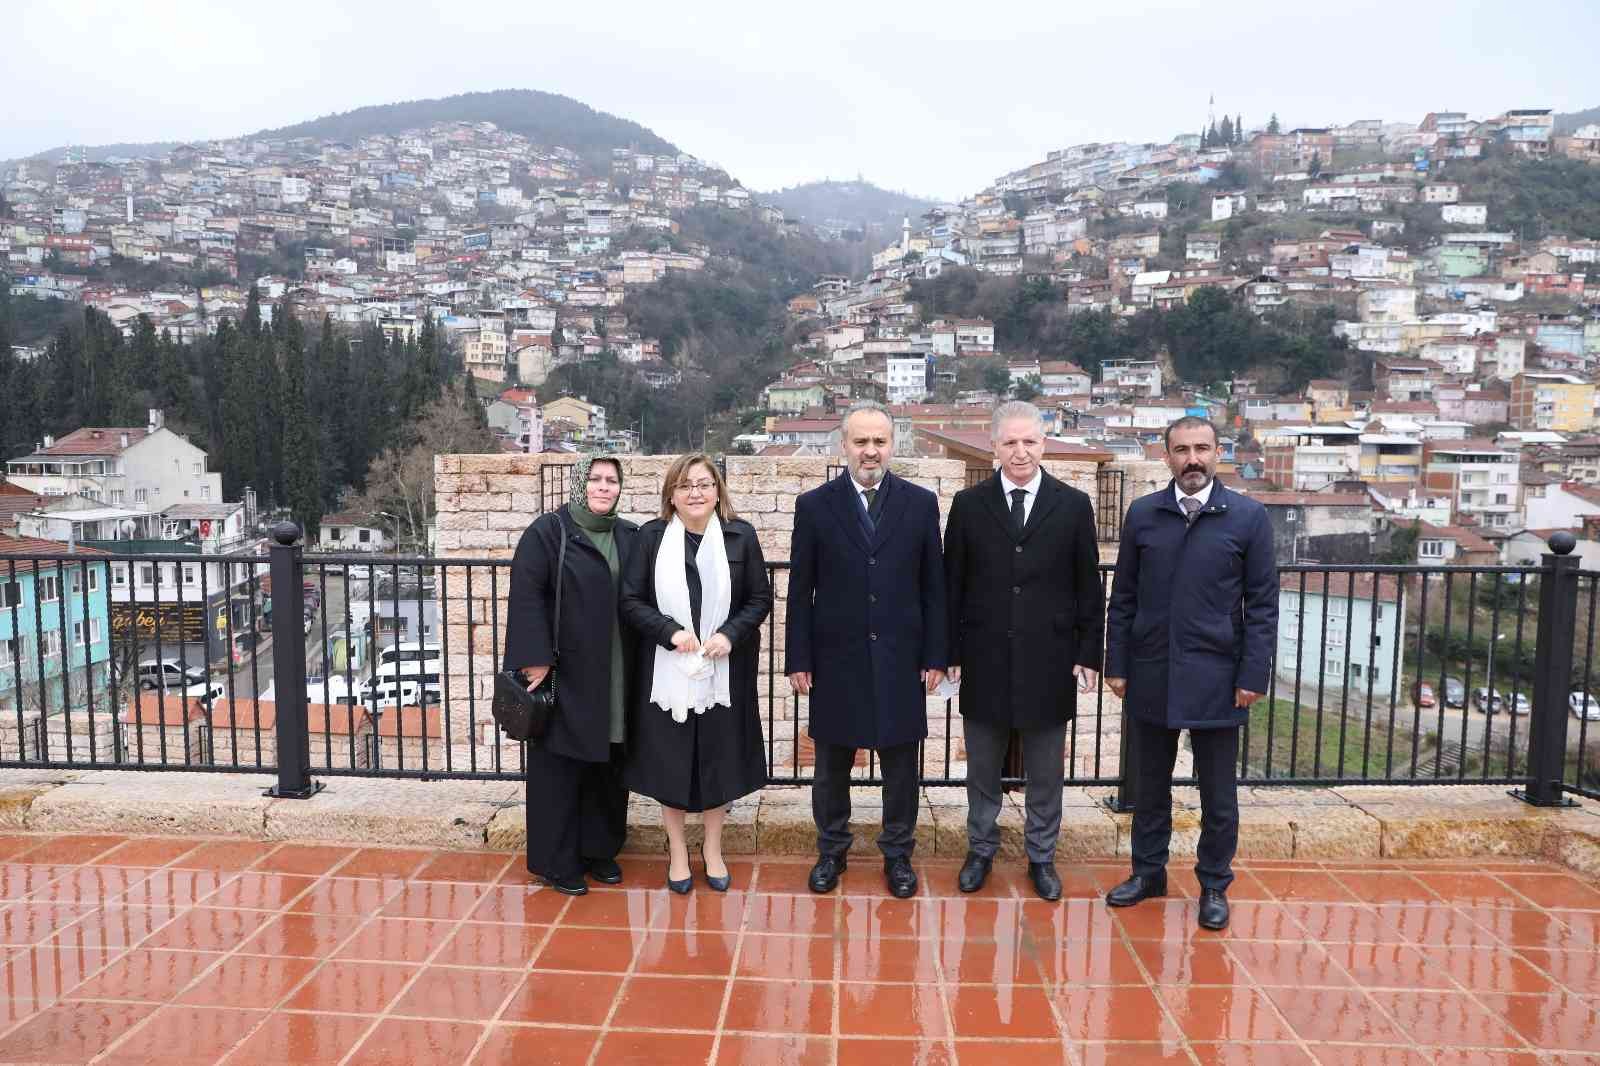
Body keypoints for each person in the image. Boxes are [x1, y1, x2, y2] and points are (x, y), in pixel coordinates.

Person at [1103, 417, 1277, 930]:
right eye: (1182, 450)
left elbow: (1262, 606)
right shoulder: (1143, 515)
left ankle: (1215, 884)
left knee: (1218, 794)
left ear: (1218, 452)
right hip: (1152, 670)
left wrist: (1253, 675)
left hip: (1218, 677)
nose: (1192, 459)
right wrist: (1117, 664)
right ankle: (1148, 873)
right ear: (1167, 457)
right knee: (1150, 787)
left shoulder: (1248, 518)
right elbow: (1124, 599)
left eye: (1202, 449)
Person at [786, 402, 947, 899]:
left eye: (880, 441)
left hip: (902, 658)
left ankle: (898, 854)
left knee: (902, 766)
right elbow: (800, 590)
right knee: (832, 765)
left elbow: (933, 588)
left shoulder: (921, 504)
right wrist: (799, 659)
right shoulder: (814, 506)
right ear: (844, 446)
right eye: (861, 441)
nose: (870, 451)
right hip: (836, 658)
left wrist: (935, 655)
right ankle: (831, 849)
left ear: (892, 445)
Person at [943, 401, 1103, 901]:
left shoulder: (1074, 506)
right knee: (983, 770)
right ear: (994, 447)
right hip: (985, 656)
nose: (1020, 451)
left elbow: (1087, 589)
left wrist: (1088, 653)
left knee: (1046, 771)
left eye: (1029, 441)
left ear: (1044, 443)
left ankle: (1041, 856)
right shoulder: (969, 506)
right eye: (1009, 442)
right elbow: (952, 586)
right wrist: (948, 650)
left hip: (1050, 659)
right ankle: (980, 851)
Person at [620, 454, 773, 894]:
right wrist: (669, 632)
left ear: (717, 491)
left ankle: (712, 849)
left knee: (719, 762)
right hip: (667, 672)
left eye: (704, 484)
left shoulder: (741, 537)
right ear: (672, 494)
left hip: (724, 670)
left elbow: (759, 599)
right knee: (669, 763)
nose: (696, 493)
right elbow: (631, 601)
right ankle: (677, 852)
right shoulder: (650, 539)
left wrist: (730, 634)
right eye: (686, 485)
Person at [503, 455, 640, 896]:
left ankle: (600, 851)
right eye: (596, 479)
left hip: (618, 668)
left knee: (609, 761)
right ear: (581, 483)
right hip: (566, 669)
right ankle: (558, 861)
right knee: (561, 766)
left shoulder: (629, 536)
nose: (604, 487)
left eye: (612, 481)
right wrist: (535, 658)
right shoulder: (550, 532)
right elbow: (527, 595)